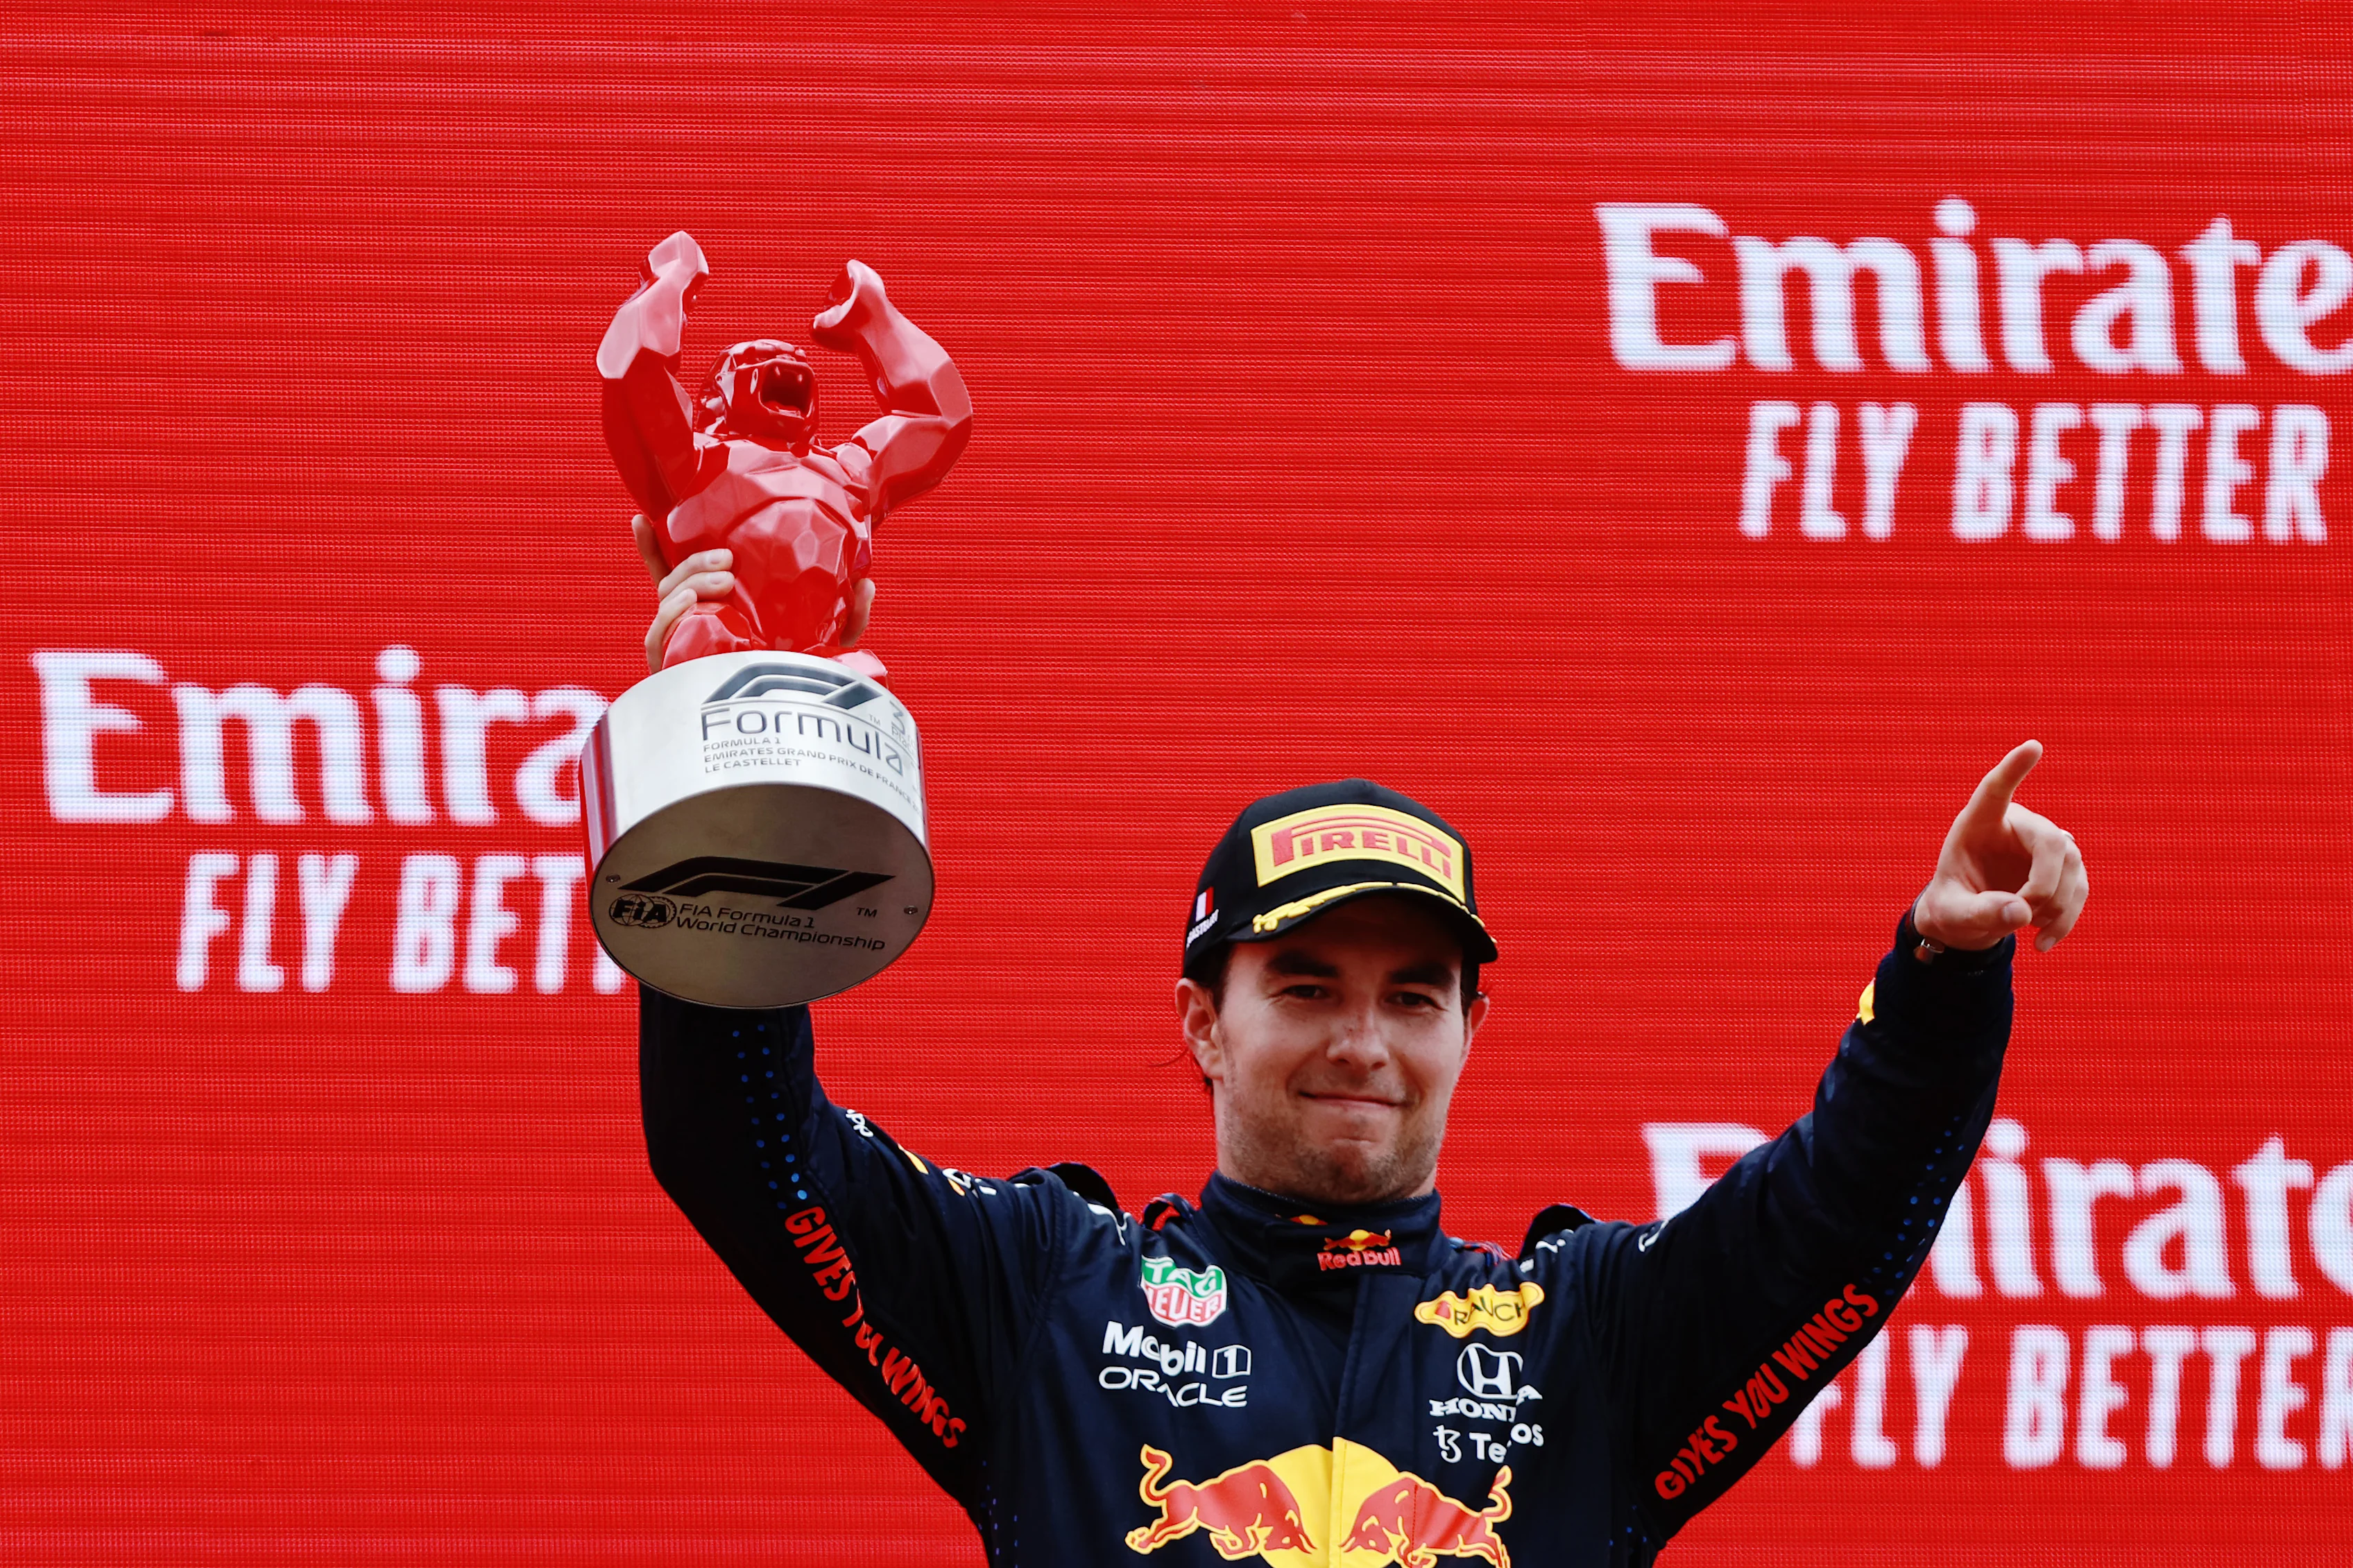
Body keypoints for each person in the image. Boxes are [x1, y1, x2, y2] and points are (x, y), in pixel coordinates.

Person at [627, 540, 2087, 1566]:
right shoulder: (1046, 1295)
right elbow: (749, 1156)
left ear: (1468, 1029)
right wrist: (737, 764)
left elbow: (1842, 1220)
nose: (1362, 1041)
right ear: (1204, 1019)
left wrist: (1946, 968)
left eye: (1413, 996)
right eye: (1308, 983)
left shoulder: (1583, 1343)